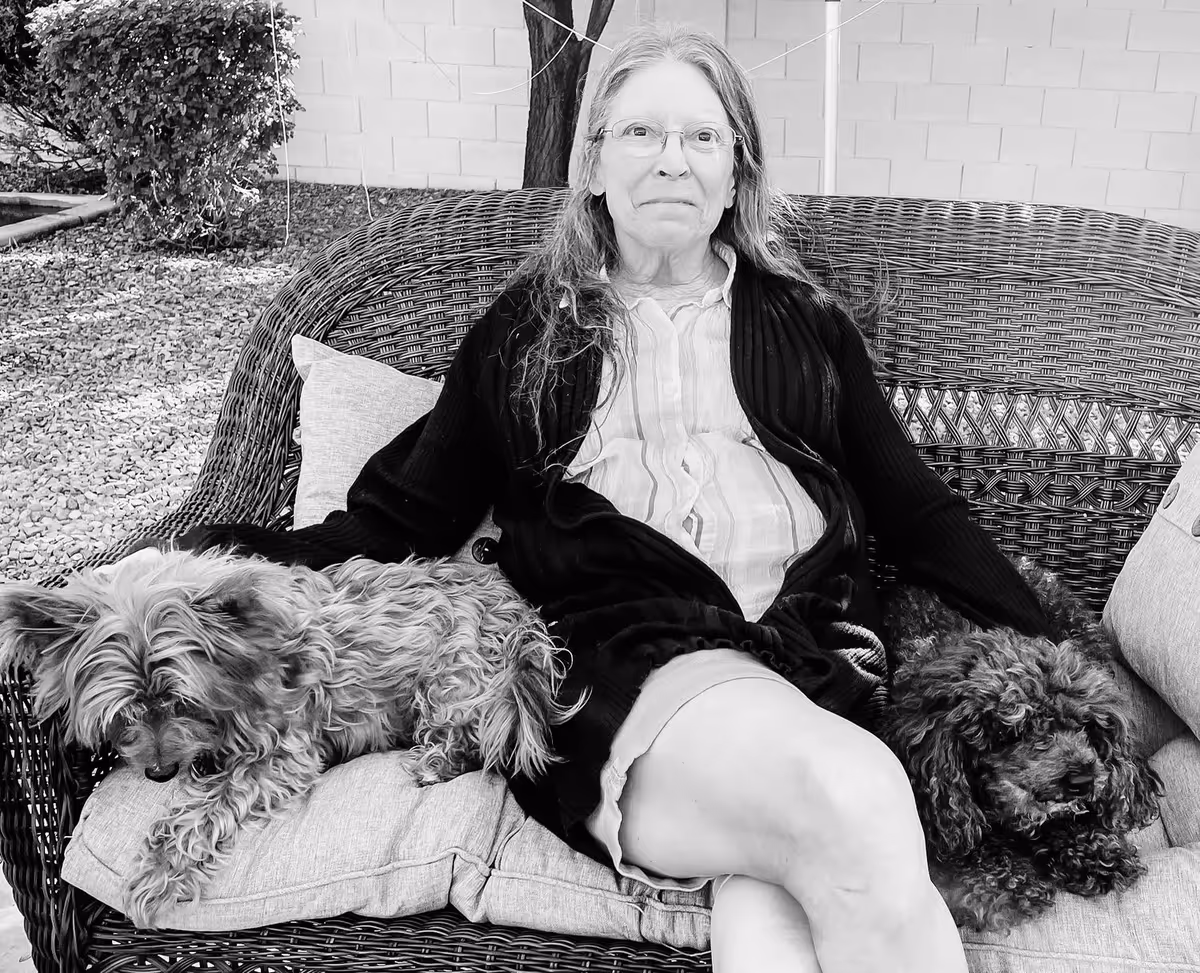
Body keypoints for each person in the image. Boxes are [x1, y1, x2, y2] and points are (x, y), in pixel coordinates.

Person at [119, 23, 1053, 973]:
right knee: (857, 797)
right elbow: (401, 517)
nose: (671, 163)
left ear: (737, 172)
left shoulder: (807, 324)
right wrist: (195, 553)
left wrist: (1067, 650)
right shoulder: (527, 331)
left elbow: (918, 512)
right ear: (596, 163)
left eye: (702, 138)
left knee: (783, 902)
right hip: (627, 657)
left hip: (812, 658)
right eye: (640, 134)